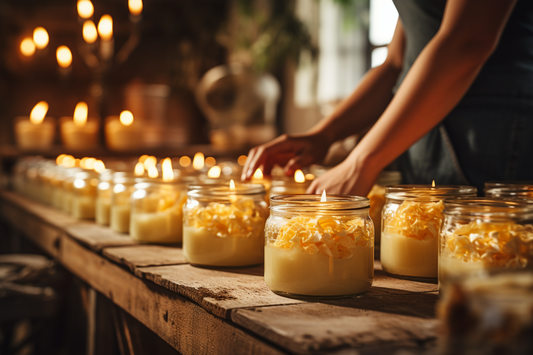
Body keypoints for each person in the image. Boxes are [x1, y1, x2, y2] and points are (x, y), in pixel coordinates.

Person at [241, 0, 533, 195]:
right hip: (416, 131)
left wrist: (361, 161)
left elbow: (468, 41)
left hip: (490, 134)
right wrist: (323, 134)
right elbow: (395, 63)